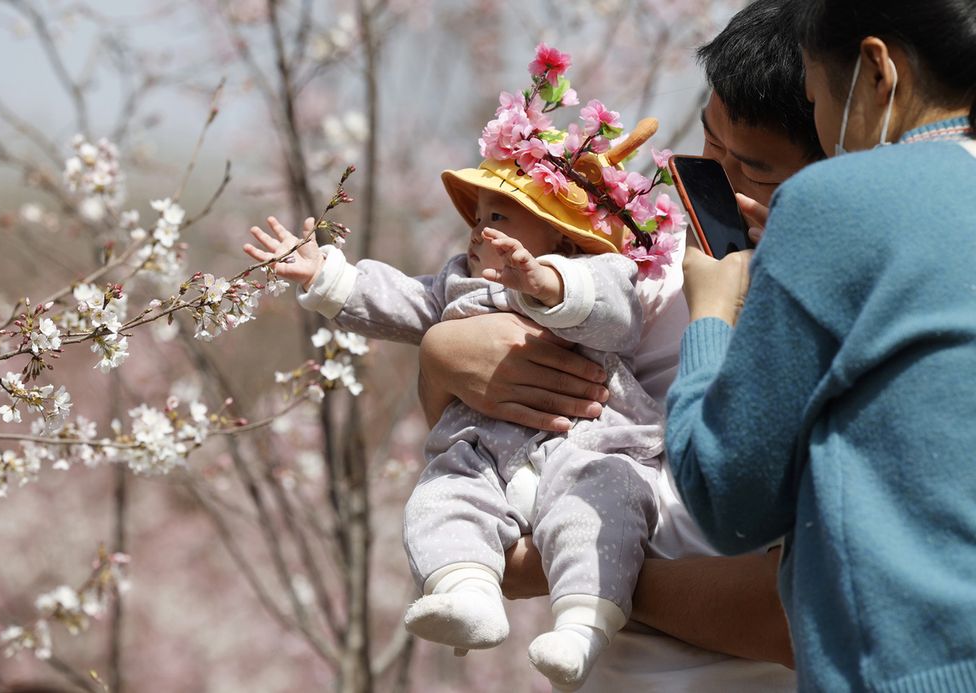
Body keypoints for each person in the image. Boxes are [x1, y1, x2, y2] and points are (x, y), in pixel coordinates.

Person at [418, 1, 822, 689]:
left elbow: (792, 613)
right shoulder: (651, 266)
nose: (712, 178)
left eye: (752, 169)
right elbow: (500, 434)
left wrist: (590, 558)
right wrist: (443, 358)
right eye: (708, 139)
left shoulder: (832, 307)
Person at [243, 89, 689, 687]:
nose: (479, 232)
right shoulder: (457, 286)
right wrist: (325, 274)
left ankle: (583, 623)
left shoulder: (595, 276)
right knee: (440, 498)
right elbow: (397, 297)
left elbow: (614, 312)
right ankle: (467, 591)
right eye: (477, 220)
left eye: (499, 217)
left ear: (560, 235)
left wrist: (547, 283)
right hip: (481, 453)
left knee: (602, 508)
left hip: (586, 447)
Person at [666, 0, 976, 690]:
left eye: (814, 97)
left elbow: (725, 494)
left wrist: (712, 313)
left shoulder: (838, 199)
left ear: (875, 69)